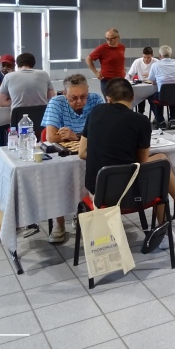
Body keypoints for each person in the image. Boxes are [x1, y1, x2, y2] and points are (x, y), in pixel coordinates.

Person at [79, 78, 175, 250]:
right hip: (130, 194)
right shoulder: (140, 120)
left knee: (159, 170)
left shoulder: (95, 112)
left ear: (108, 99)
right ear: (133, 97)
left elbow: (82, 153)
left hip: (99, 193)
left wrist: (103, 151)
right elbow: (143, 161)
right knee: (161, 165)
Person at [41, 74, 105, 243]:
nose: (79, 102)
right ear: (64, 94)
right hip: (63, 155)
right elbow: (51, 137)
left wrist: (75, 136)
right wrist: (84, 136)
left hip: (86, 152)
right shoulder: (56, 102)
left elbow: (103, 132)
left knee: (93, 176)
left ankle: (82, 213)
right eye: (73, 98)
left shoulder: (96, 100)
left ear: (88, 91)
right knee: (57, 179)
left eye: (83, 97)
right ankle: (59, 222)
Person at [146, 45, 175, 130]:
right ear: (171, 54)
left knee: (152, 97)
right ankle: (172, 120)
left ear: (160, 55)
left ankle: (161, 121)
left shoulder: (156, 65)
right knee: (172, 95)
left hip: (163, 95)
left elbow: (151, 79)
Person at [86, 28, 126, 97]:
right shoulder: (102, 48)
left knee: (121, 101)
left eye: (111, 39)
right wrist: (96, 72)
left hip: (120, 79)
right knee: (110, 101)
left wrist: (123, 69)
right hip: (107, 80)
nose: (109, 41)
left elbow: (119, 59)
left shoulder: (122, 47)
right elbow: (88, 59)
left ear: (118, 38)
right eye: (107, 39)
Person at [127, 46, 155, 114]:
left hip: (152, 85)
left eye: (148, 57)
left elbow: (160, 76)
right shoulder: (137, 62)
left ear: (152, 56)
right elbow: (130, 74)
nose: (146, 59)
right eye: (144, 57)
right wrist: (127, 80)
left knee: (153, 99)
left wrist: (150, 75)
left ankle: (156, 115)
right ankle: (140, 113)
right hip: (142, 84)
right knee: (138, 96)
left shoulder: (156, 62)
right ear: (142, 55)